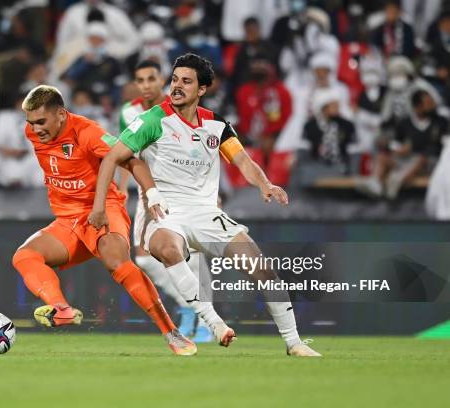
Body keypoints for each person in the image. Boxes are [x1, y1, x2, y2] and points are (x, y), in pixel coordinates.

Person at [90, 53, 321, 356]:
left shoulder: (217, 125)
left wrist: (264, 183)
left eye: (186, 81)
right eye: (174, 80)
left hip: (207, 212)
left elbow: (243, 160)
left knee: (263, 270)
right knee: (167, 250)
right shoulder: (151, 120)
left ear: (201, 90)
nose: (176, 86)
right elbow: (111, 158)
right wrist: (99, 207)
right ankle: (212, 322)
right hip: (166, 213)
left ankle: (294, 343)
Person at [11, 85, 196, 356]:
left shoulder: (88, 132)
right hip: (67, 220)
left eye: (41, 121)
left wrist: (153, 193)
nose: (35, 129)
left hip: (103, 210)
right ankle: (61, 310)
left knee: (116, 262)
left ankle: (171, 332)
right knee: (24, 257)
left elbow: (133, 162)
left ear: (61, 114)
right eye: (31, 123)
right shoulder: (33, 132)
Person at [118, 59, 213, 341]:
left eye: (152, 78)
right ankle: (189, 307)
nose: (146, 85)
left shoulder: (180, 109)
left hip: (185, 191)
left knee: (193, 257)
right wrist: (122, 190)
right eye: (141, 80)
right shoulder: (130, 111)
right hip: (149, 193)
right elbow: (127, 153)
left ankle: (206, 323)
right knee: (145, 260)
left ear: (164, 81)